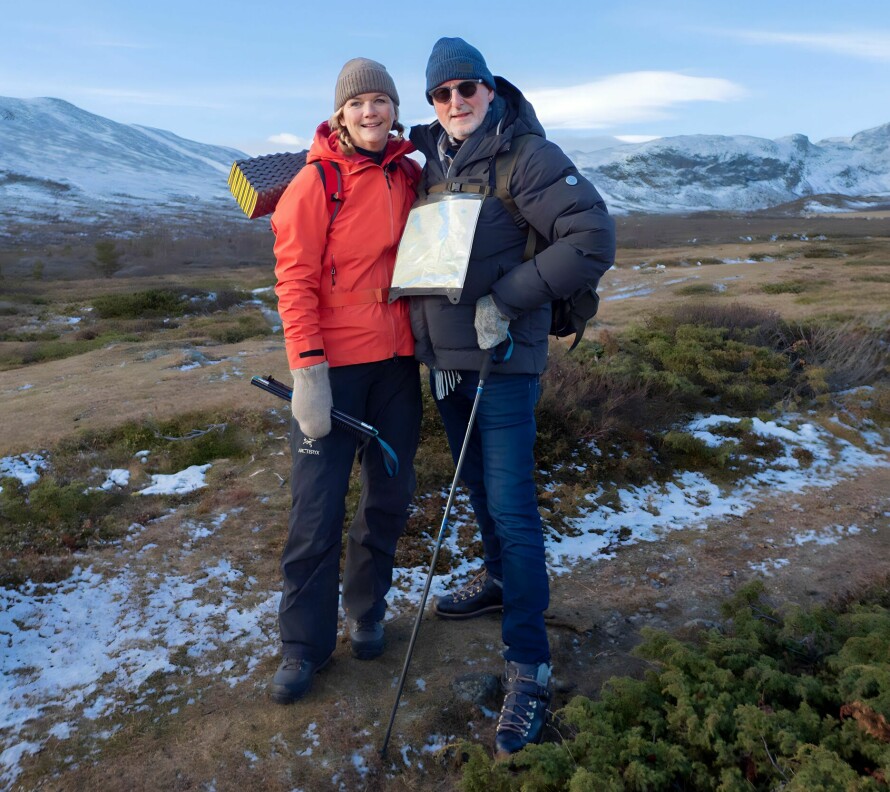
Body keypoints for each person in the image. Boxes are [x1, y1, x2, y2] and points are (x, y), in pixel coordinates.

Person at [407, 37, 616, 755]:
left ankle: (528, 663)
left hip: (504, 362)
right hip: (450, 365)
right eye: (443, 93)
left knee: (513, 505)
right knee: (479, 493)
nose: (457, 102)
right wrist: (431, 350)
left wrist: (509, 296)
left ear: (490, 90)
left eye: (468, 88)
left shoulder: (528, 155)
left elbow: (592, 235)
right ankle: (496, 582)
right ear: (431, 102)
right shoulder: (430, 162)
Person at [268, 58, 422, 704]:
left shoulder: (411, 175)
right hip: (334, 369)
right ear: (340, 113)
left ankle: (366, 611)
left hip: (398, 365)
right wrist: (307, 370)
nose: (371, 112)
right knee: (316, 509)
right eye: (358, 103)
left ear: (393, 110)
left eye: (381, 101)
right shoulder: (315, 183)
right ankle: (303, 646)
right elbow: (295, 280)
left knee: (387, 498)